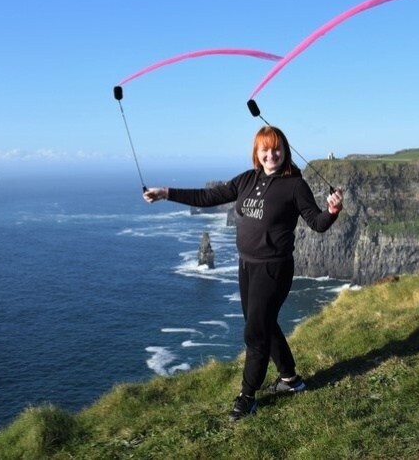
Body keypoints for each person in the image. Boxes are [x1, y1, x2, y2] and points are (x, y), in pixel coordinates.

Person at [143, 125, 344, 421]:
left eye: (276, 148)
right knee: (261, 323)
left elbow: (316, 222)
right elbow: (208, 196)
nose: (270, 154)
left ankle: (247, 397)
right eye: (264, 148)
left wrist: (332, 210)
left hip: (274, 268)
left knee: (255, 333)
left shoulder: (294, 185)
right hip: (246, 264)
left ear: (284, 150)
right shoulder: (247, 179)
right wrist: (166, 193)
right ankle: (291, 380)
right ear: (256, 152)